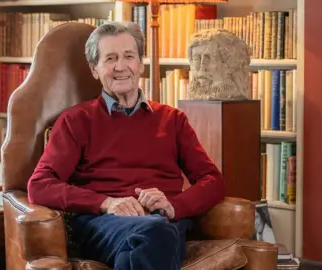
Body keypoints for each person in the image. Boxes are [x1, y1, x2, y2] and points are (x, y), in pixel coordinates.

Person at [27, 21, 226, 270]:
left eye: (128, 56)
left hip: (164, 221)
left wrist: (173, 206)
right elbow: (39, 185)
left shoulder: (173, 119)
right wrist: (106, 202)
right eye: (110, 58)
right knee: (155, 234)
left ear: (140, 64)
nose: (120, 67)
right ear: (94, 69)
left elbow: (213, 180)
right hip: (104, 223)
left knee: (151, 236)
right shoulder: (75, 121)